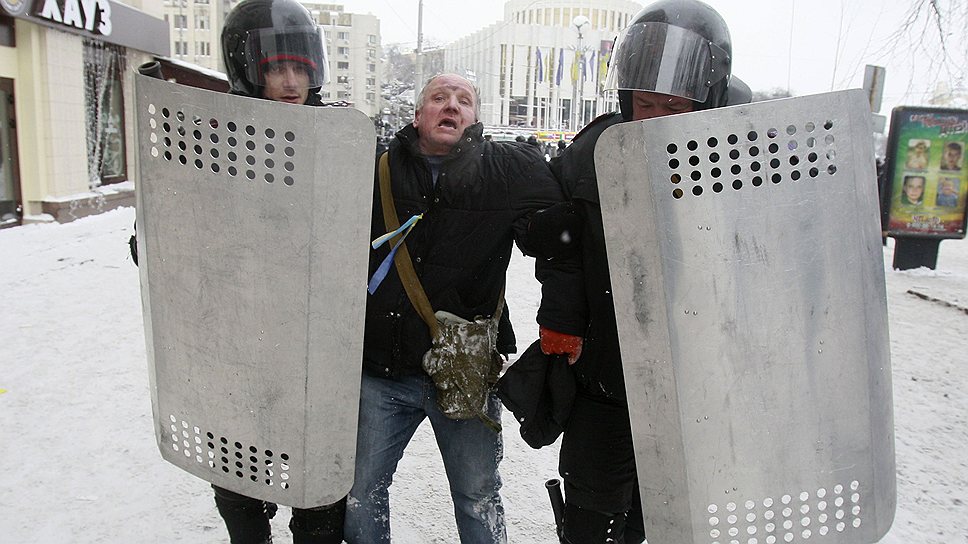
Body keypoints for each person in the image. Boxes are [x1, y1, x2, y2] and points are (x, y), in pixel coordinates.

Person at [540, 1, 749, 542]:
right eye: (647, 104)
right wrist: (563, 322)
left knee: (671, 516)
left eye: (674, 108)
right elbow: (560, 248)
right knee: (593, 517)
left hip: (695, 384)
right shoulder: (594, 151)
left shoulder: (737, 162)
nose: (656, 120)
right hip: (605, 379)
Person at [343, 73, 583, 543]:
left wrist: (562, 317)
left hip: (464, 371)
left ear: (475, 118)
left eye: (464, 100)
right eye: (438, 98)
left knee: (478, 497)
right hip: (383, 367)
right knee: (361, 490)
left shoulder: (507, 170)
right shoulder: (376, 169)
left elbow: (563, 239)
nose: (451, 106)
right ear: (418, 115)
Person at [211, 0, 347, 542]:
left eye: (300, 69)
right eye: (276, 69)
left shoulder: (337, 137)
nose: (291, 83)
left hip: (311, 345)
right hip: (237, 339)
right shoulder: (212, 137)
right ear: (250, 71)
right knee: (240, 488)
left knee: (318, 492)